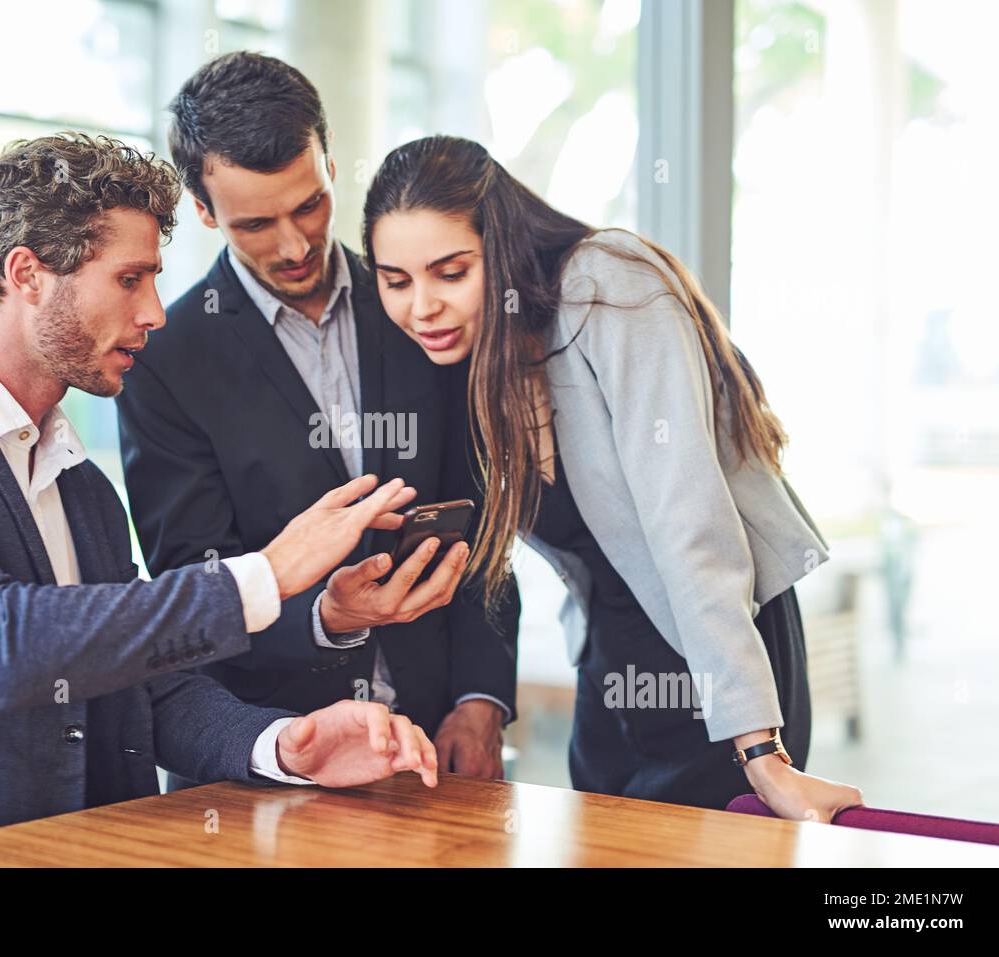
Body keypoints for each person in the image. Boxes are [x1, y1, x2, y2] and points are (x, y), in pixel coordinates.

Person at [0, 132, 440, 868]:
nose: (155, 312)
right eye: (129, 279)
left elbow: (146, 686)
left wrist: (283, 744)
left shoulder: (84, 489)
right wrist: (266, 575)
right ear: (28, 275)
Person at [362, 134, 864, 821]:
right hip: (612, 668)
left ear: (501, 247)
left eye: (451, 271)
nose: (422, 306)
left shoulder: (609, 284)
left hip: (718, 653)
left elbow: (691, 528)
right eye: (397, 281)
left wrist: (761, 753)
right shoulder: (474, 353)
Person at [116, 54, 519, 788]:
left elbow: (485, 521)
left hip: (436, 746)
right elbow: (195, 587)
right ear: (204, 212)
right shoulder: (165, 359)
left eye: (309, 205)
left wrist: (482, 697)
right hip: (272, 758)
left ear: (330, 163)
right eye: (256, 223)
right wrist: (326, 618)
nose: (295, 244)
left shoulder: (417, 305)